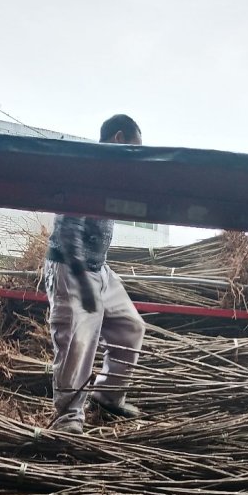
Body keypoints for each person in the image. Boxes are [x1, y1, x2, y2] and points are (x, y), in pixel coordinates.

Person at [44, 114, 147, 434]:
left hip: (98, 268)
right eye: (135, 147)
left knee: (131, 327)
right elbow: (67, 229)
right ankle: (68, 418)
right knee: (77, 341)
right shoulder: (87, 169)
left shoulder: (112, 178)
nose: (137, 155)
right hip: (70, 266)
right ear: (119, 139)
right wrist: (85, 286)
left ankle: (107, 395)